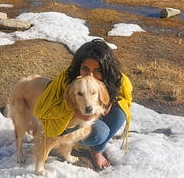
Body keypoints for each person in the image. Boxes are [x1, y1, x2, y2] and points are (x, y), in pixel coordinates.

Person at [34, 39, 133, 170]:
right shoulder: (66, 81)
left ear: (107, 69)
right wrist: (75, 112)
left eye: (98, 70)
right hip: (72, 117)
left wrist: (107, 103)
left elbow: (125, 99)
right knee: (100, 133)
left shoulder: (117, 78)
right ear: (78, 67)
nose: (90, 75)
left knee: (120, 114)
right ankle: (71, 143)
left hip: (94, 109)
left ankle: (97, 150)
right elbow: (42, 110)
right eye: (85, 69)